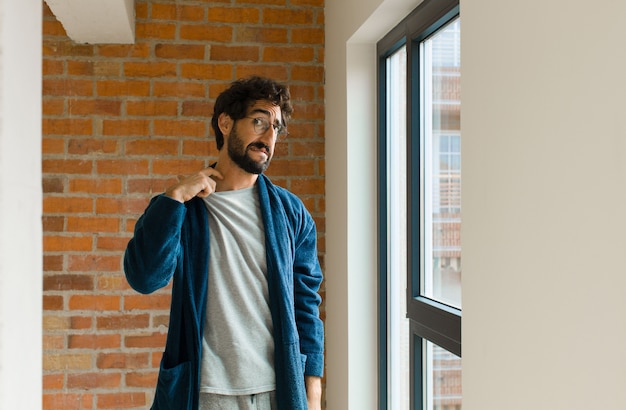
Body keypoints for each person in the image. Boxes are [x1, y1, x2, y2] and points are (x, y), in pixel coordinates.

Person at [124, 76, 324, 410]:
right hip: (205, 392)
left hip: (277, 392)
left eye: (276, 127)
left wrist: (313, 397)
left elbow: (306, 307)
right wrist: (172, 198)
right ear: (226, 122)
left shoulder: (291, 214)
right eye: (259, 121)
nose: (268, 137)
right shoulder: (184, 207)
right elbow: (144, 277)